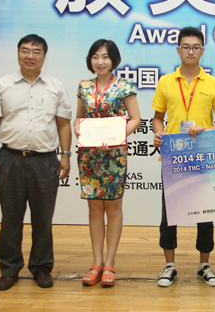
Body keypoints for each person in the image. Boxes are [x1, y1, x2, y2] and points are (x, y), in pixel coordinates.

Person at [0, 34, 72, 291]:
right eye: (25, 50)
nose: (30, 56)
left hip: (45, 161)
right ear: (18, 54)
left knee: (43, 219)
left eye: (36, 51)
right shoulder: (2, 85)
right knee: (10, 217)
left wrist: (66, 155)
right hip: (10, 159)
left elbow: (63, 124)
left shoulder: (55, 87)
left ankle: (41, 268)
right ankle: (9, 269)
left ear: (44, 56)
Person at [152, 27, 215, 287]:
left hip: (203, 157)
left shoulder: (213, 83)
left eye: (196, 47)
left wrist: (207, 130)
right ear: (178, 50)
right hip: (173, 157)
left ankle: (204, 264)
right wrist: (159, 134)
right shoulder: (166, 81)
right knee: (169, 215)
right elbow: (158, 118)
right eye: (185, 47)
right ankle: (169, 265)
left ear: (202, 50)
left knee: (205, 213)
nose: (190, 52)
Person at [75, 40, 141, 287]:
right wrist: (78, 128)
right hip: (89, 156)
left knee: (113, 208)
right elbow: (79, 117)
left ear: (114, 59)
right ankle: (96, 262)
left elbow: (135, 119)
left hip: (114, 156)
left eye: (105, 57)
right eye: (95, 56)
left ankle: (110, 262)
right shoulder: (83, 86)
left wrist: (116, 137)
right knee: (94, 209)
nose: (100, 62)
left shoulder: (124, 86)